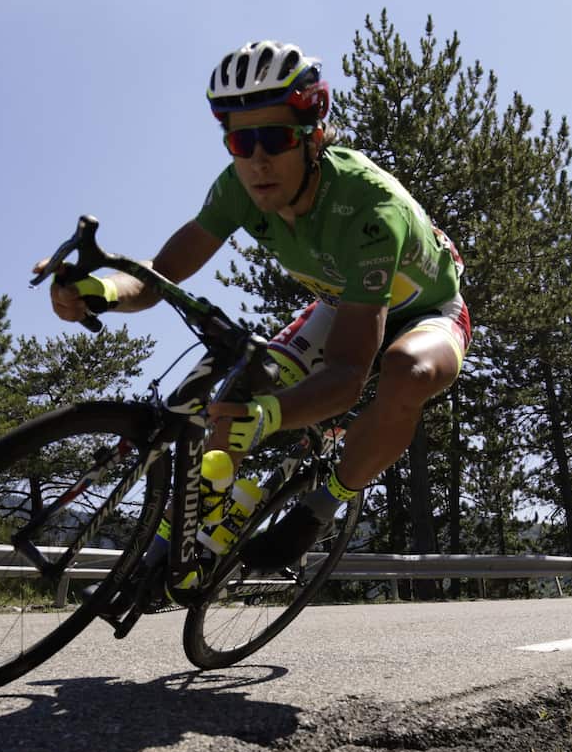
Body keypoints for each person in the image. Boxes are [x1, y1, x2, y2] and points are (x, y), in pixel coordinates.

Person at [38, 40, 470, 574]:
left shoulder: (370, 210)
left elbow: (350, 374)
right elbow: (161, 274)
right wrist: (100, 291)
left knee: (406, 371)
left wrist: (273, 415)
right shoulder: (240, 187)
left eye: (276, 139)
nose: (259, 160)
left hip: (426, 313)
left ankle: (322, 505)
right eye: (242, 141)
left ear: (312, 136)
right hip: (341, 302)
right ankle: (183, 543)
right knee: (236, 395)